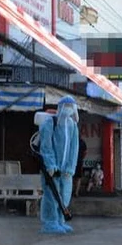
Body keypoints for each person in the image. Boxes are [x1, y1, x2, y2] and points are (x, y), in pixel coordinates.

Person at [38, 96, 80, 234]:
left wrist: (70, 167)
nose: (69, 109)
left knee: (64, 195)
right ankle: (50, 223)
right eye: (66, 106)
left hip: (65, 170)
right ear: (60, 107)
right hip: (52, 169)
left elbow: (74, 149)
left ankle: (60, 221)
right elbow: (46, 146)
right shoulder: (50, 122)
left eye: (71, 107)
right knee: (51, 195)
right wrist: (50, 164)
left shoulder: (72, 126)